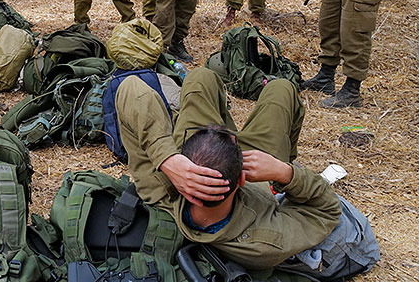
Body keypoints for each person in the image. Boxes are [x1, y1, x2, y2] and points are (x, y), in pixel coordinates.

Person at [115, 67, 378, 277]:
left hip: (206, 158)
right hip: (261, 174)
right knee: (282, 89)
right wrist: (285, 173)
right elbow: (328, 211)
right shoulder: (265, 239)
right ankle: (276, 156)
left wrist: (167, 159)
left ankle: (204, 143)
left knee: (201, 77)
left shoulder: (159, 186)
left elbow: (129, 87)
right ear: (240, 179)